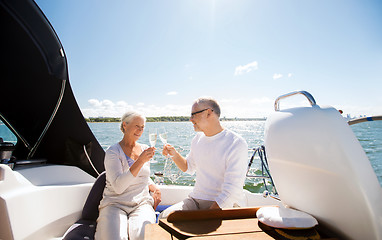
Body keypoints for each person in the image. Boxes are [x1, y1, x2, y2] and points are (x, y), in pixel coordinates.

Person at [159, 97, 248, 218]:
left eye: (193, 115)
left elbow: (231, 191)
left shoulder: (236, 143)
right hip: (196, 200)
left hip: (224, 204)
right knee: (165, 217)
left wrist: (205, 216)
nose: (190, 119)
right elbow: (188, 167)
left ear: (208, 113)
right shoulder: (197, 139)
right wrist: (173, 154)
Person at [95, 111, 161, 240]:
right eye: (137, 126)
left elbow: (144, 176)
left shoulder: (144, 148)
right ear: (125, 125)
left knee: (143, 237)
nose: (140, 130)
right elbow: (119, 187)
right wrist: (140, 161)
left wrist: (154, 187)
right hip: (115, 203)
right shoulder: (112, 152)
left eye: (142, 127)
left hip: (141, 203)